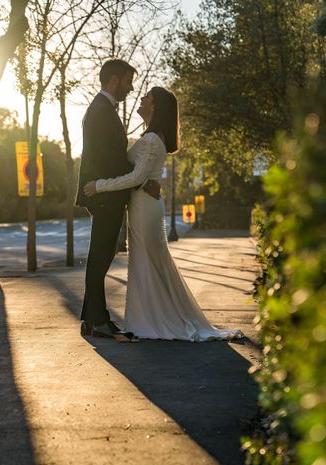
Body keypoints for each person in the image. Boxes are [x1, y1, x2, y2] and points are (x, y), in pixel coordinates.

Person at [84, 87, 241, 341]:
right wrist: (145, 182)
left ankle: (156, 320)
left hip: (145, 208)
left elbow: (135, 175)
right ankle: (149, 318)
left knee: (148, 261)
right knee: (147, 262)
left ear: (155, 107)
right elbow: (137, 172)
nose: (142, 99)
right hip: (144, 202)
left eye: (147, 97)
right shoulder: (150, 137)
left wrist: (98, 185)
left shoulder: (152, 139)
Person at [76, 59, 160, 340]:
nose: (131, 87)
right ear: (113, 80)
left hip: (105, 192)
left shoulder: (102, 109)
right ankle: (97, 321)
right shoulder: (101, 111)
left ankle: (92, 319)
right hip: (103, 195)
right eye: (127, 81)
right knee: (100, 256)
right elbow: (110, 160)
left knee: (102, 255)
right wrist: (138, 179)